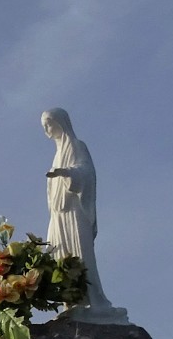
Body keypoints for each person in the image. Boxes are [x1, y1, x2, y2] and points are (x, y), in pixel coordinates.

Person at [42, 107, 123, 320]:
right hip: (59, 215)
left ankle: (95, 303)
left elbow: (87, 172)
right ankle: (71, 302)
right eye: (44, 126)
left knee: (82, 256)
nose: (47, 129)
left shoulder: (77, 146)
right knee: (60, 256)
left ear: (61, 123)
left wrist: (66, 172)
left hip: (74, 212)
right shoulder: (56, 155)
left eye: (49, 123)